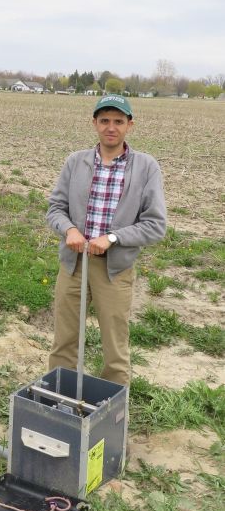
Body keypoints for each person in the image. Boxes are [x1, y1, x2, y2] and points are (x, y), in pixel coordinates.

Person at [46, 94, 166, 387]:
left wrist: (113, 237)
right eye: (104, 121)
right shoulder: (76, 162)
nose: (111, 127)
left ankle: (113, 414)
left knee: (115, 348)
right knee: (64, 340)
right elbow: (55, 209)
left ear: (129, 126)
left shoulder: (145, 167)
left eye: (118, 121)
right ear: (94, 124)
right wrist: (69, 230)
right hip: (74, 265)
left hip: (114, 271)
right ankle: (59, 401)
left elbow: (155, 225)